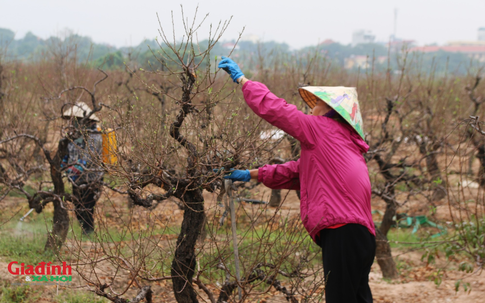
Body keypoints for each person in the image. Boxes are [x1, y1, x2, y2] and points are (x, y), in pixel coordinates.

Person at [218, 57, 376, 303]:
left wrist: (244, 81)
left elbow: (279, 110)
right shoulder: (345, 143)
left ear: (329, 111)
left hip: (341, 230)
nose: (309, 110)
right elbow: (296, 172)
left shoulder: (321, 129)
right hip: (362, 236)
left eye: (316, 105)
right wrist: (250, 174)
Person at [61, 102, 104, 235]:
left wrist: (72, 171)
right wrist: (62, 165)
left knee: (87, 207)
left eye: (77, 120)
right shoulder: (72, 136)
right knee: (78, 208)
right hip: (77, 179)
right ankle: (87, 233)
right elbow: (67, 154)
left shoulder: (95, 137)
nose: (74, 123)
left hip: (92, 178)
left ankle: (89, 233)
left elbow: (88, 159)